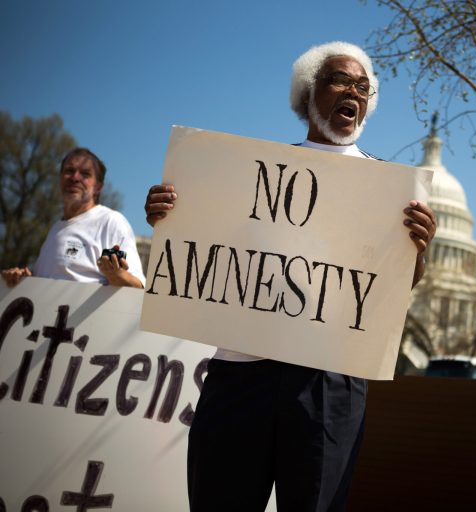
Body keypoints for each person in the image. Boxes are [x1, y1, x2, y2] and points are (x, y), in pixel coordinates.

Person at [144, 41, 436, 511]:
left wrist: (416, 252)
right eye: (340, 80)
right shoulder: (248, 174)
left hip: (327, 382)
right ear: (307, 94)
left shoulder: (390, 189)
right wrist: (169, 217)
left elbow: (393, 285)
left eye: (364, 87)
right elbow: (207, 245)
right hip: (240, 375)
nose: (354, 92)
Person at [1, 147, 145, 289]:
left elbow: (137, 285)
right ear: (60, 178)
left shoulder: (111, 221)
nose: (75, 178)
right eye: (69, 171)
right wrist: (22, 280)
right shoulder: (54, 230)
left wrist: (116, 275)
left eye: (85, 174)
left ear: (98, 187)